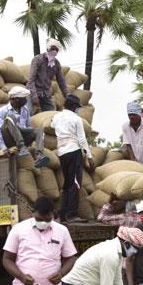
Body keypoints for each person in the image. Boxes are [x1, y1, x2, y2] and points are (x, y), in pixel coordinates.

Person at [61, 227, 143, 285]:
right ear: (126, 243)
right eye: (135, 248)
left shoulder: (117, 252)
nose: (135, 252)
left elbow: (117, 280)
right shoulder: (110, 254)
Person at [51, 94, 94, 222]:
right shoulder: (76, 119)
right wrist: (89, 156)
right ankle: (72, 214)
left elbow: (52, 125)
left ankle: (63, 213)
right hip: (74, 151)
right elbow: (82, 139)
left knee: (67, 183)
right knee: (75, 183)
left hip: (62, 153)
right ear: (74, 107)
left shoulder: (57, 117)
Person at [0, 86, 51, 168]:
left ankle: (39, 156)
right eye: (23, 98)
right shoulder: (2, 111)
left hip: (22, 136)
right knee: (10, 117)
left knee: (39, 130)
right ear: (16, 99)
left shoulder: (25, 110)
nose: (25, 100)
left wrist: (32, 131)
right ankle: (21, 147)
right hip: (9, 139)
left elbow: (28, 126)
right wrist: (4, 148)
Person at [28, 40, 69, 112]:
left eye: (56, 50)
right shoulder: (38, 59)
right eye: (52, 49)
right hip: (33, 92)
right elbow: (31, 80)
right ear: (47, 48)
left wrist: (67, 95)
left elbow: (61, 81)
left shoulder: (56, 64)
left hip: (46, 95)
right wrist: (34, 96)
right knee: (28, 112)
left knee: (52, 114)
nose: (54, 51)